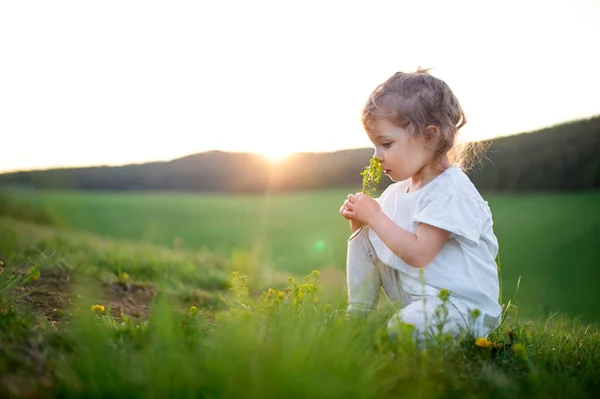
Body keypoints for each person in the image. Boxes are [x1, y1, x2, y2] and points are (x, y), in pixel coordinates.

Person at [339, 68, 501, 341]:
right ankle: (357, 317)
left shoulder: (450, 191)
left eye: (386, 144)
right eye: (374, 146)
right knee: (368, 232)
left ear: (429, 136)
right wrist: (360, 219)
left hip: (460, 306)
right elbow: (373, 245)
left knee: (401, 331)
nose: (377, 157)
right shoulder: (398, 191)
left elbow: (419, 254)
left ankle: (439, 341)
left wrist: (375, 216)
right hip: (420, 295)